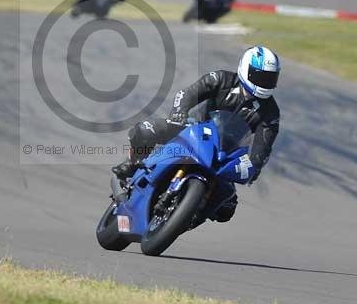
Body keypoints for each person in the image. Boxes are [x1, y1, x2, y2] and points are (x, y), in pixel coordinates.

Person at [112, 45, 281, 223]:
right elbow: (188, 93)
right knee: (145, 130)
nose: (265, 82)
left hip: (226, 152)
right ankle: (133, 163)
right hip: (192, 128)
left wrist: (254, 166)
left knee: (227, 207)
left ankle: (191, 214)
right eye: (261, 76)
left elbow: (264, 146)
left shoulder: (271, 112)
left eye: (270, 78)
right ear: (245, 69)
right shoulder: (222, 79)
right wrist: (179, 112)